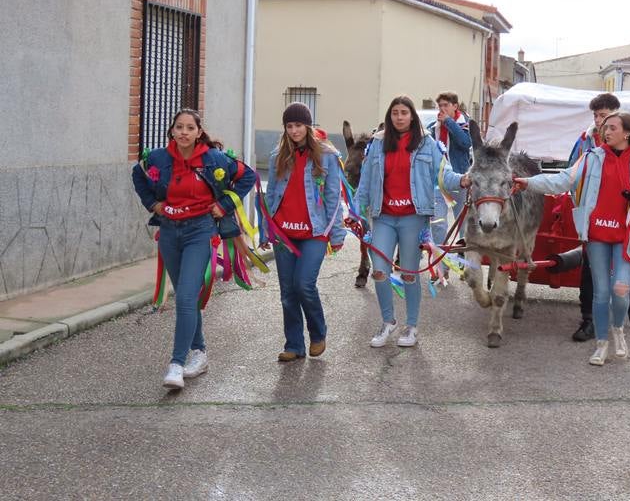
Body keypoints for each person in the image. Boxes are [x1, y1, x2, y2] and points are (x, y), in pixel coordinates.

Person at [514, 111, 630, 365]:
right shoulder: (590, 159)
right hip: (596, 235)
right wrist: (528, 183)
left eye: (612, 127)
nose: (606, 132)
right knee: (601, 292)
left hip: (626, 236)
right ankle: (601, 344)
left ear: (627, 132)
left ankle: (618, 330)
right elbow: (561, 181)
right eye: (604, 128)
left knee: (620, 291)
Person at [132, 109, 256, 390]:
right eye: (179, 127)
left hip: (200, 232)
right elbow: (137, 174)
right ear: (172, 131)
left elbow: (246, 176)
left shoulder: (213, 159)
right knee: (186, 299)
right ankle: (199, 353)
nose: (184, 132)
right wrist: (153, 204)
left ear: (199, 132)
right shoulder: (159, 159)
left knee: (187, 296)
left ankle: (176, 364)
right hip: (169, 233)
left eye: (190, 128)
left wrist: (223, 206)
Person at [353, 95, 469, 347]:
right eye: (395, 112)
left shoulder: (427, 144)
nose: (399, 117)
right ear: (389, 116)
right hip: (383, 217)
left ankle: (412, 327)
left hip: (413, 218)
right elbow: (365, 181)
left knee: (408, 274)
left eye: (404, 112)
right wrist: (354, 211)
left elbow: (443, 174)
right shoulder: (377, 144)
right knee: (380, 272)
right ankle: (387, 322)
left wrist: (461, 180)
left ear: (411, 116)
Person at [266, 102, 346, 362]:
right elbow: (271, 194)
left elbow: (333, 196)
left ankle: (318, 332)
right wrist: (269, 228)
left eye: (299, 125)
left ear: (308, 126)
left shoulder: (327, 156)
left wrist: (337, 233)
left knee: (304, 284)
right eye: (289, 126)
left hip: (315, 231)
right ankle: (294, 344)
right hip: (284, 233)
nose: (294, 131)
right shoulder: (278, 155)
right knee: (287, 292)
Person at [567, 93, 630, 342]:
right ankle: (588, 319)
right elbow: (571, 170)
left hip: (624, 219)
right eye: (596, 116)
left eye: (604, 116)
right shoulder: (585, 142)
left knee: (627, 266)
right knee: (590, 270)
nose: (599, 121)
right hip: (595, 219)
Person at [428, 91, 472, 253]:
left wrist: (449, 123)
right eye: (440, 106)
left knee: (463, 223)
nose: (442, 109)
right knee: (438, 223)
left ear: (455, 106)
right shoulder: (433, 128)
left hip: (460, 179)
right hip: (438, 182)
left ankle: (463, 257)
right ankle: (442, 264)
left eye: (446, 105)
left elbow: (465, 143)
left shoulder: (463, 124)